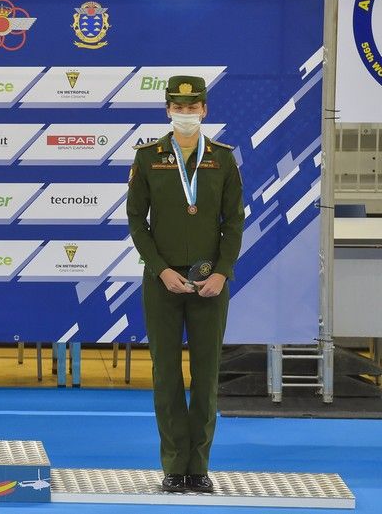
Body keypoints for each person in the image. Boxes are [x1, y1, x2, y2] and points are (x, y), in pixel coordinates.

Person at [126, 75, 244, 494]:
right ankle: (174, 465)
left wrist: (221, 272)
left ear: (205, 110)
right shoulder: (147, 157)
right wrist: (160, 269)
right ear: (167, 110)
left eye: (193, 107)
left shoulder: (224, 159)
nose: (186, 113)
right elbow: (137, 222)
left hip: (210, 284)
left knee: (207, 375)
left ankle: (200, 467)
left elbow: (234, 223)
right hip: (163, 282)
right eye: (179, 107)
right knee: (167, 376)